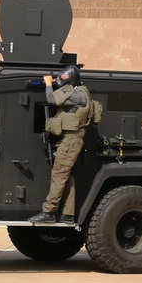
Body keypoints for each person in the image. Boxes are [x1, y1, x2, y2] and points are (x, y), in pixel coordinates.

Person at [28, 65, 92, 225]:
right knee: (66, 176)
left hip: (71, 140)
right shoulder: (80, 92)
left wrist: (48, 83)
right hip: (69, 139)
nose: (60, 79)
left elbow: (52, 99)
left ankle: (49, 212)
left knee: (59, 175)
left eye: (62, 77)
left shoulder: (75, 93)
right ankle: (68, 215)